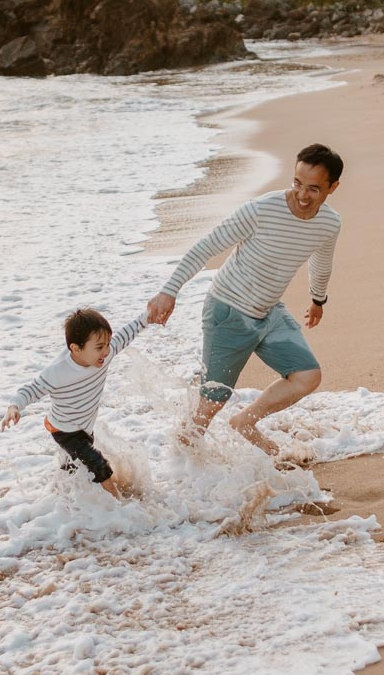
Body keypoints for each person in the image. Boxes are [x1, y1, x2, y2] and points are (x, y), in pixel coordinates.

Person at [146, 142, 342, 457]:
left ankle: (245, 422)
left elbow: (321, 261)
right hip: (229, 311)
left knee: (307, 376)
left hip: (269, 311)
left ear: (333, 187)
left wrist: (318, 300)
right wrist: (169, 291)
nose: (303, 195)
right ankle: (183, 468)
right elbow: (206, 246)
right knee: (211, 404)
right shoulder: (260, 210)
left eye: (314, 189)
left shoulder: (329, 223)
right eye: (297, 184)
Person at [2, 307, 147, 498]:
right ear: (76, 349)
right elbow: (31, 389)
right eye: (99, 347)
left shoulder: (103, 354)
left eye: (107, 344)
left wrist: (147, 317)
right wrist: (14, 406)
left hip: (85, 427)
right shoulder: (58, 372)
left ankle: (65, 497)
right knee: (98, 464)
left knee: (76, 468)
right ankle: (118, 504)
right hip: (64, 430)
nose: (106, 351)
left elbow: (126, 334)